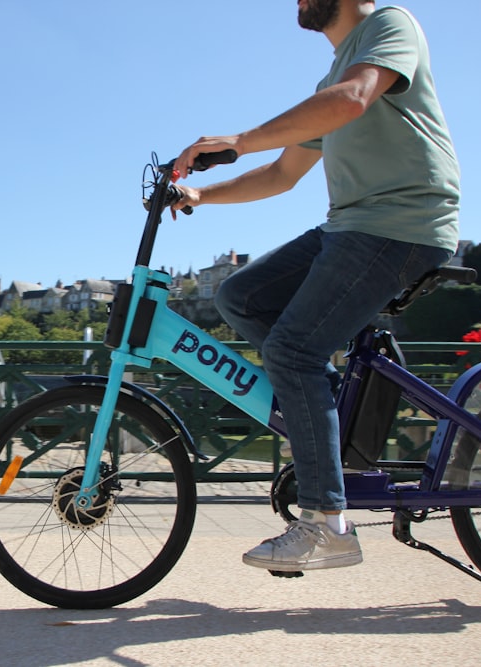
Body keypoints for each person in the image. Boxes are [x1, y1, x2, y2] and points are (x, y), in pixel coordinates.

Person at [171, 0, 459, 571]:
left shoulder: (388, 27)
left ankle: (327, 524)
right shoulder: (331, 77)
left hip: (400, 226)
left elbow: (354, 98)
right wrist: (203, 194)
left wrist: (240, 138)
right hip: (351, 225)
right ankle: (328, 410)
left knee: (291, 351)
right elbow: (282, 174)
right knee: (241, 296)